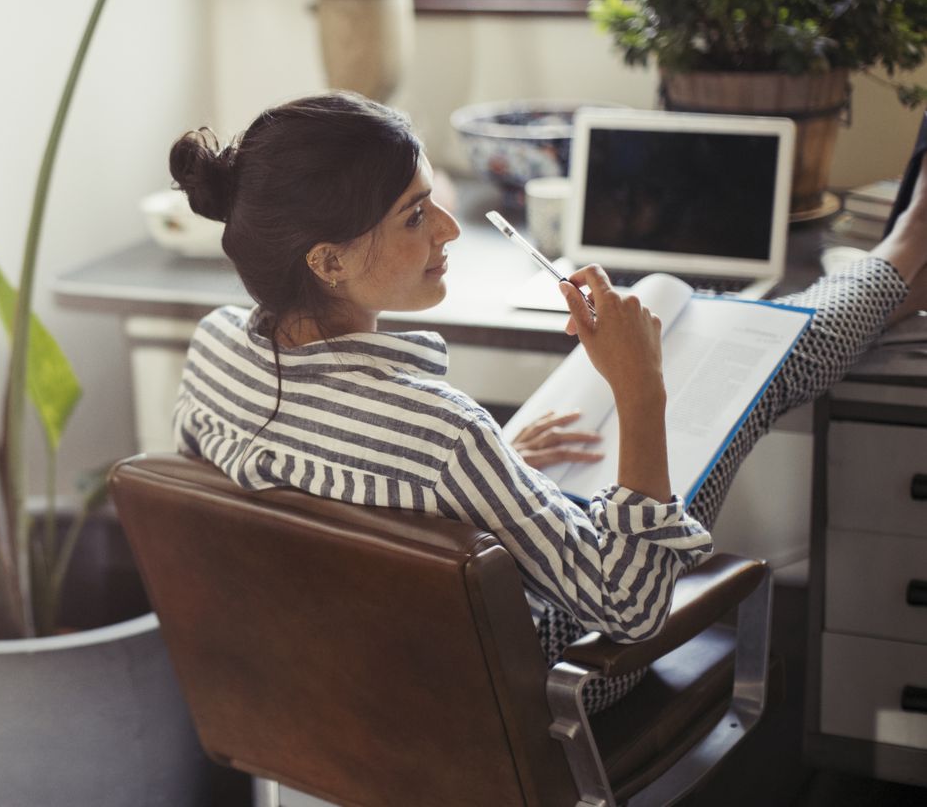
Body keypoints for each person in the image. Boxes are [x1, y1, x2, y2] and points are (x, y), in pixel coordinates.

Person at [168, 91, 927, 712]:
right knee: (746, 381)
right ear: (327, 260)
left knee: (717, 371)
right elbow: (631, 610)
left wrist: (458, 490)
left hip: (335, 689)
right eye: (412, 215)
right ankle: (900, 259)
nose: (449, 228)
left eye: (433, 199)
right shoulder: (444, 439)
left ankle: (897, 270)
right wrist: (640, 391)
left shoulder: (213, 351)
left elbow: (289, 505)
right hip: (518, 693)